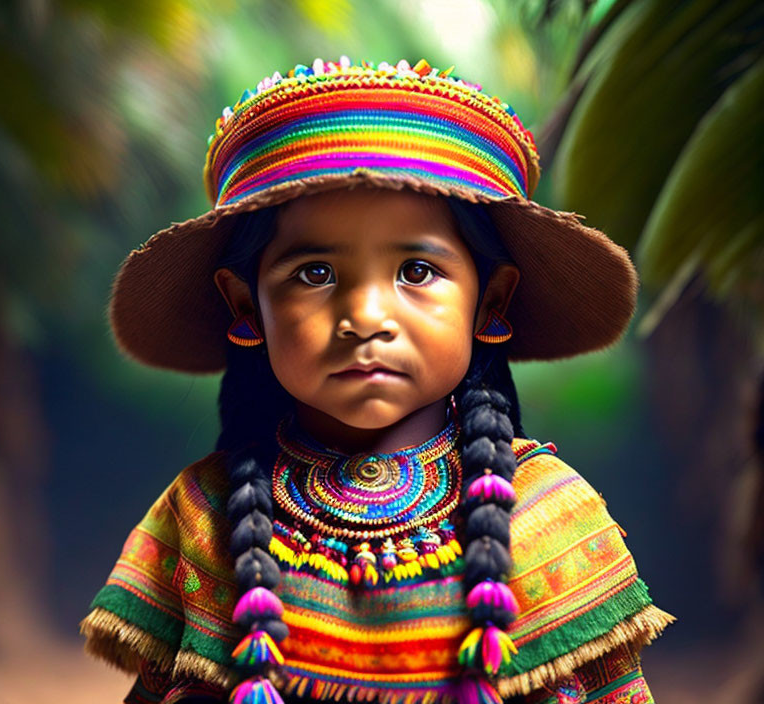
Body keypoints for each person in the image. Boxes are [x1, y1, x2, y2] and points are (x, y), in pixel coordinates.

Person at [80, 58, 674, 704]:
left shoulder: (548, 513)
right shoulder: (201, 516)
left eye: (417, 271)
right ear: (245, 307)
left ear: (492, 302)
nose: (364, 318)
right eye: (314, 274)